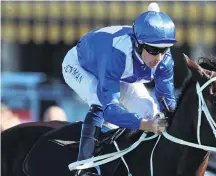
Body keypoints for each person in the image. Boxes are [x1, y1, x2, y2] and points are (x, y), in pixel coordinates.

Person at [61, 2, 177, 176]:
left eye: (164, 49)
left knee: (148, 109)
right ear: (138, 44)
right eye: (153, 50)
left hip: (120, 74)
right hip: (80, 66)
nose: (159, 57)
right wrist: (145, 125)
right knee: (99, 101)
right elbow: (110, 109)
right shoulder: (117, 54)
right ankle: (84, 165)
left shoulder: (164, 60)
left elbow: (167, 101)